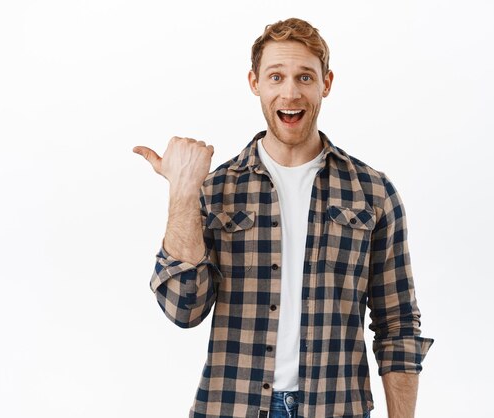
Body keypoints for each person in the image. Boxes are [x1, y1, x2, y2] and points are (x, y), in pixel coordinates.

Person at [133, 17, 433, 418]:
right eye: (276, 76)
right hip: (231, 406)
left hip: (335, 407)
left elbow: (397, 326)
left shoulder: (373, 192)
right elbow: (183, 309)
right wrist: (183, 193)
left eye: (305, 77)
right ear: (255, 83)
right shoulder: (215, 189)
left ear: (326, 83)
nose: (290, 92)